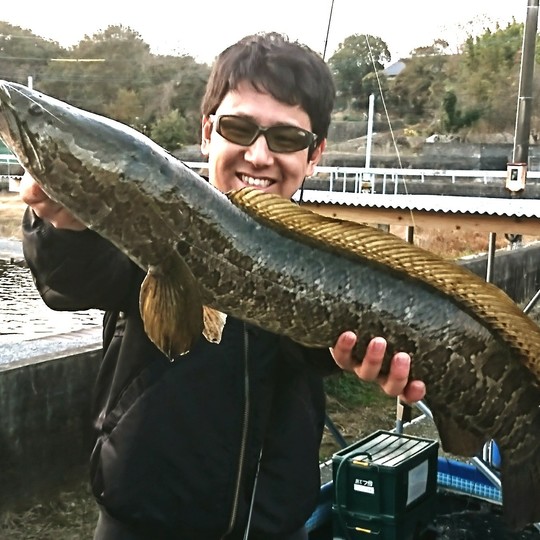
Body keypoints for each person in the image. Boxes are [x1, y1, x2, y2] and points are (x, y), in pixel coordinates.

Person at [20, 32, 425, 540]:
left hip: (275, 527)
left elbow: (318, 352)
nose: (259, 155)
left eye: (285, 139)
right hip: (141, 524)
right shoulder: (150, 222)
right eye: (239, 128)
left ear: (315, 152)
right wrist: (63, 227)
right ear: (208, 131)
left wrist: (370, 357)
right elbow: (72, 281)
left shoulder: (320, 257)